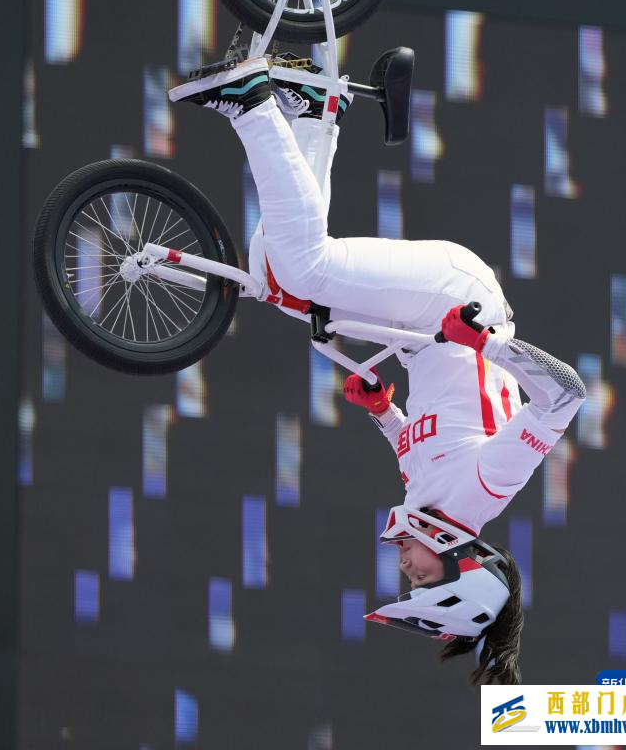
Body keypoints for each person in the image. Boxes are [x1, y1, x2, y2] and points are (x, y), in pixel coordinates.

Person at [175, 55, 586, 685]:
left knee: (280, 284)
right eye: (421, 577)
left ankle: (314, 113)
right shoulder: (486, 491)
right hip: (455, 302)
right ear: (460, 561)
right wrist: (486, 343)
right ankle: (253, 102)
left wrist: (382, 411)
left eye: (409, 580)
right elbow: (564, 396)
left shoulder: (428, 502)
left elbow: (416, 447)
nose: (405, 570)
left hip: (423, 333)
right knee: (308, 268)